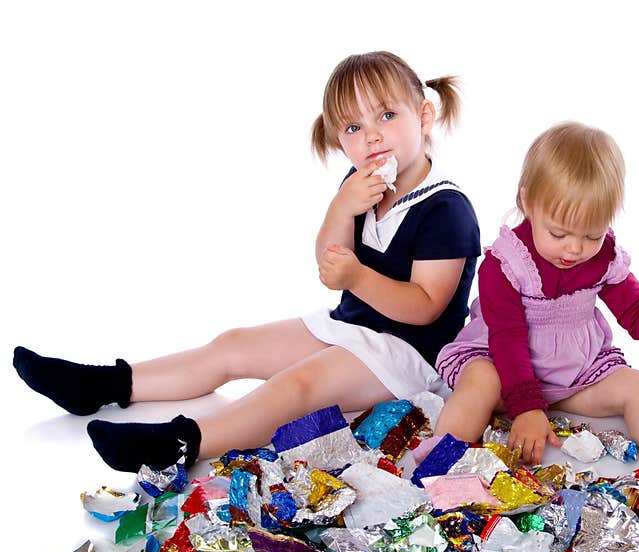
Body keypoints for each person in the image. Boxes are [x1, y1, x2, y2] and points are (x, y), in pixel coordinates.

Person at [12, 51, 481, 473]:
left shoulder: (445, 207)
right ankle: (104, 384)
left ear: (423, 116)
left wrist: (355, 275)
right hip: (353, 324)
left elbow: (425, 308)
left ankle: (183, 441)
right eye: (354, 128)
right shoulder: (361, 183)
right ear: (339, 140)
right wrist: (341, 209)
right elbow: (328, 262)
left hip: (411, 354)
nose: (372, 135)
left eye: (386, 115)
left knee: (298, 384)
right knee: (233, 343)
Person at [433, 122, 639, 469]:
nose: (575, 248)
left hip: (575, 375)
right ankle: (441, 460)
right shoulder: (505, 264)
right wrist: (526, 407)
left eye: (591, 236)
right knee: (481, 382)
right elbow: (507, 337)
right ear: (526, 201)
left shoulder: (602, 257)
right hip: (506, 371)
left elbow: (635, 303)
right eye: (558, 233)